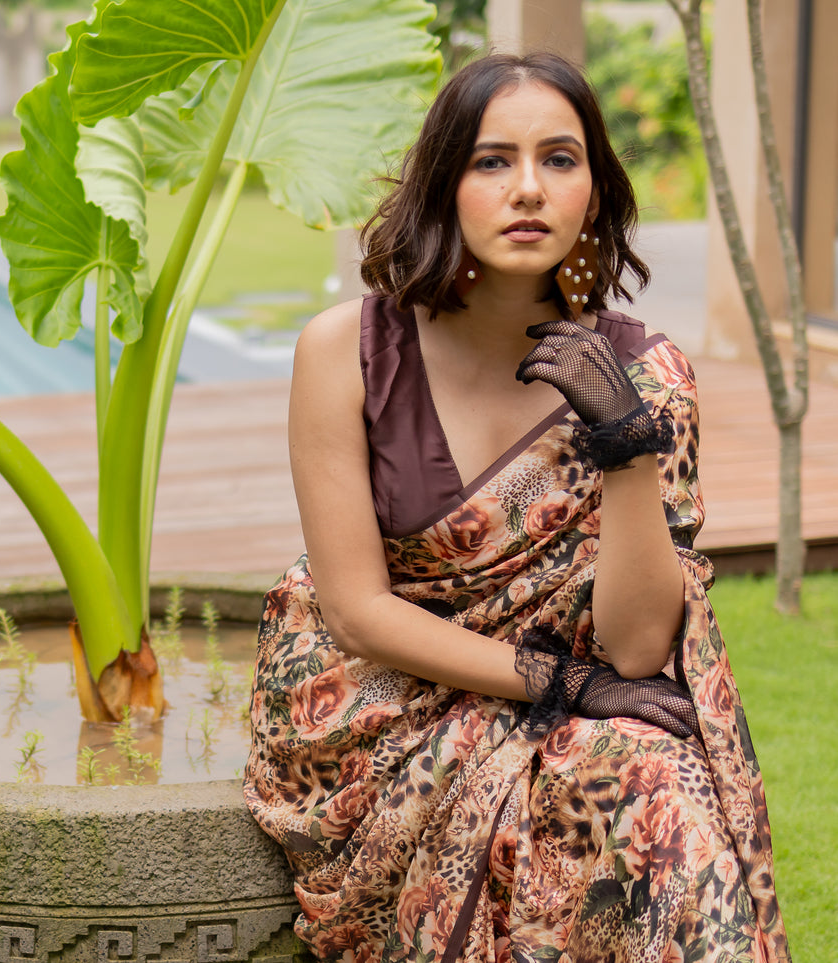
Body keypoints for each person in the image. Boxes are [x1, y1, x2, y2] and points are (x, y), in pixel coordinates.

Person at [242, 52, 790, 962]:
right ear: (443, 184)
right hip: (384, 707)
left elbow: (636, 650)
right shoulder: (345, 351)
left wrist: (624, 442)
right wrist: (556, 683)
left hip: (579, 701)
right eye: (491, 161)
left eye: (559, 159)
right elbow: (355, 609)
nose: (527, 188)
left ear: (594, 192)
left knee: (667, 795)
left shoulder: (644, 377)